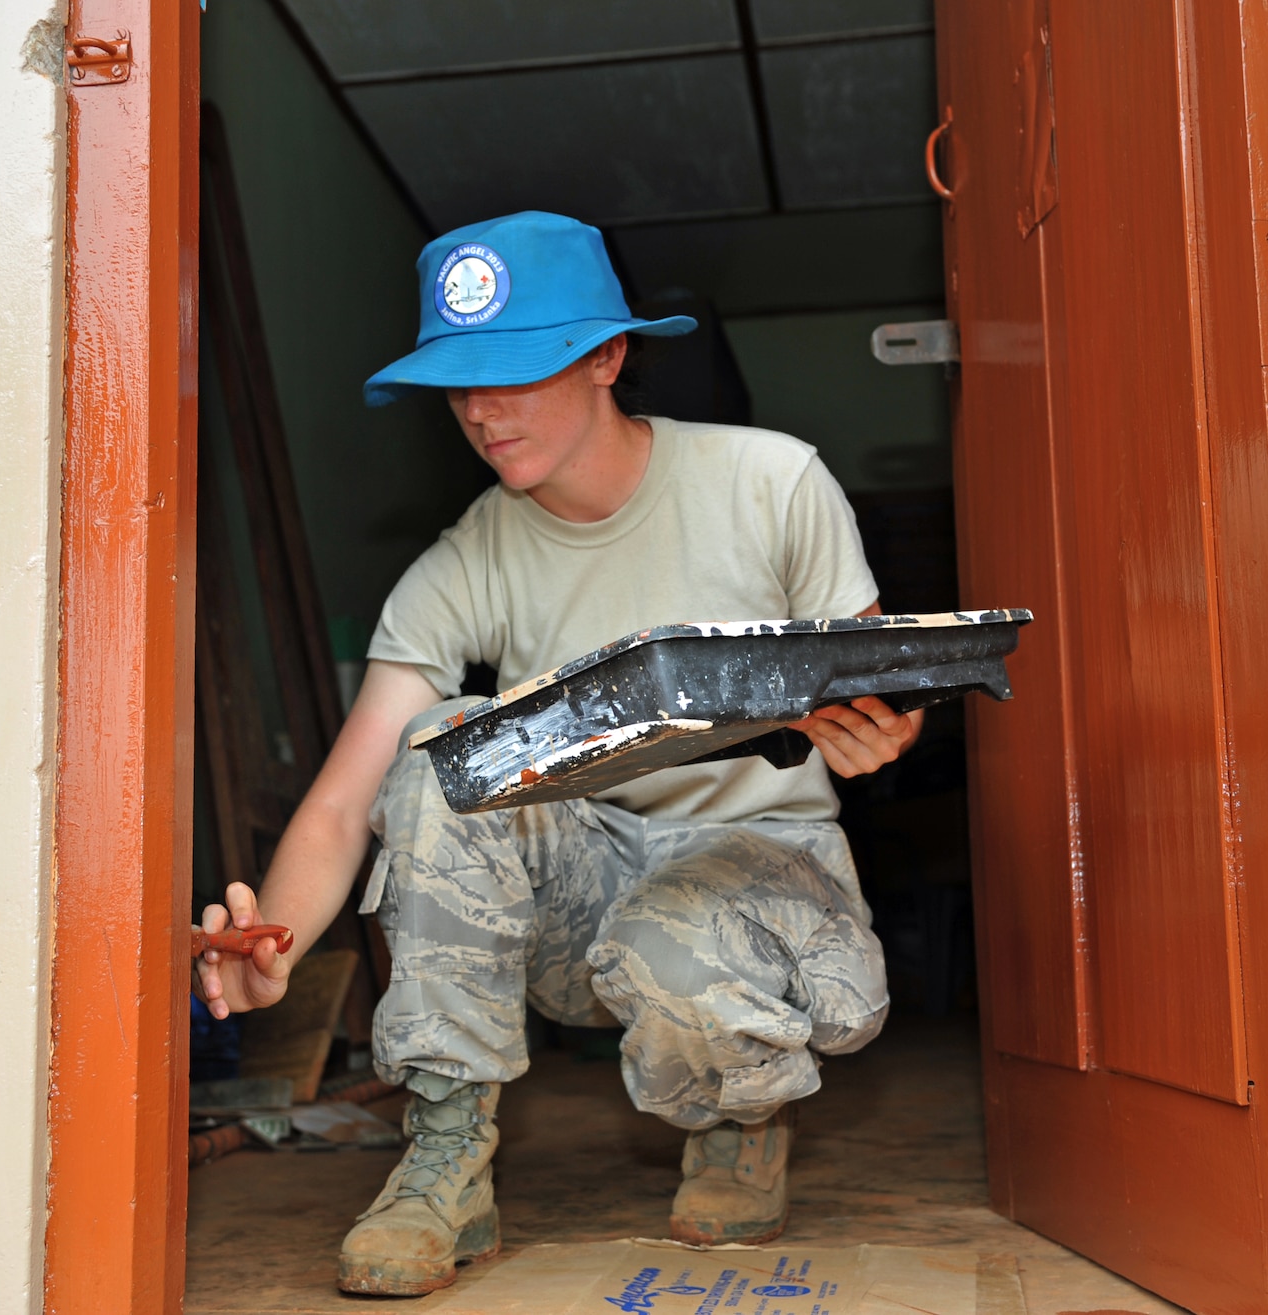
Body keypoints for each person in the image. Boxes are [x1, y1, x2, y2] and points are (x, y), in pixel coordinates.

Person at [191, 211, 923, 1297]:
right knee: (446, 744)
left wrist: (886, 734)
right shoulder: (468, 558)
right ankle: (444, 1159)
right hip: (581, 895)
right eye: (456, 382)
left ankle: (740, 1112)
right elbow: (346, 801)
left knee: (677, 936)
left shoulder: (769, 482)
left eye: (513, 369)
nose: (480, 411)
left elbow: (879, 684)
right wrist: (275, 947)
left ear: (606, 357)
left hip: (756, 866)